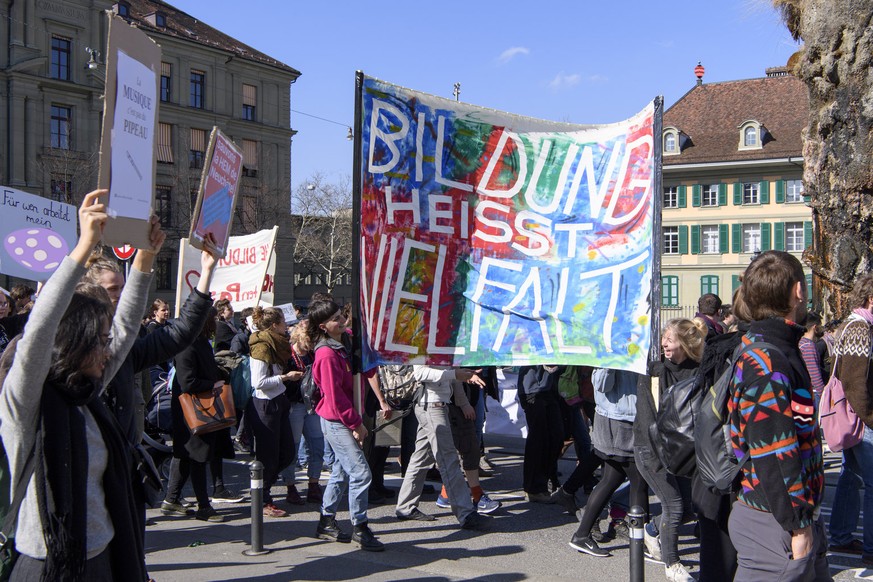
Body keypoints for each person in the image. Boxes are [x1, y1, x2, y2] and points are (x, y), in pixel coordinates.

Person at [0, 190, 153, 580]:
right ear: (74, 342)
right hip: (48, 566)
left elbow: (127, 326)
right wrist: (84, 246)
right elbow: (37, 335)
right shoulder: (28, 405)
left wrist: (146, 257)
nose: (108, 351)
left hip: (103, 556)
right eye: (99, 341)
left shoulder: (86, 396)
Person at [728, 250, 829, 580]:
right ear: (798, 291)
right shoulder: (767, 361)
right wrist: (798, 526)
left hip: (785, 516)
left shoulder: (774, 346)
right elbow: (774, 450)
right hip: (774, 522)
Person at [308, 299, 385, 551]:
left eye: (342, 316)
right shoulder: (326, 354)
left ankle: (326, 520)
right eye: (335, 319)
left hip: (344, 417)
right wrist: (356, 423)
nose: (341, 321)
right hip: (336, 420)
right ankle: (360, 527)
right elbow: (335, 396)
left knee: (342, 472)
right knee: (361, 473)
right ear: (322, 326)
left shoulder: (344, 342)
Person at [636, 319, 706, 582]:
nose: (665, 343)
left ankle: (653, 530)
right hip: (651, 448)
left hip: (682, 452)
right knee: (674, 506)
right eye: (664, 337)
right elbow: (647, 420)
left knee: (688, 509)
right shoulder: (653, 373)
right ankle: (672, 564)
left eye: (671, 338)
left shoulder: (699, 371)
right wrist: (658, 458)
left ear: (685, 344)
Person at [395, 365, 491, 529]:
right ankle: (465, 513)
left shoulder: (440, 342)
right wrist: (456, 374)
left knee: (421, 458)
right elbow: (420, 373)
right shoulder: (423, 340)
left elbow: (452, 376)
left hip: (436, 405)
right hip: (431, 406)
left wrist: (463, 376)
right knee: (448, 460)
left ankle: (405, 507)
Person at [569, 368, 648, 558]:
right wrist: (614, 362)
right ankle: (642, 541)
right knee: (639, 481)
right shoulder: (610, 349)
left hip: (628, 417)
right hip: (618, 420)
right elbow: (601, 385)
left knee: (612, 479)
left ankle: (582, 535)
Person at [161, 308, 228, 523]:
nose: (216, 323)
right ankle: (204, 506)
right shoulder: (188, 345)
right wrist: (213, 383)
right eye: (213, 318)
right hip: (192, 410)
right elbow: (187, 381)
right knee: (197, 455)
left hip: (195, 407)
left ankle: (171, 499)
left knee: (185, 455)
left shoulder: (198, 342)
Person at [828, 273, 873, 565]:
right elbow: (856, 383)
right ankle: (870, 548)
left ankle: (842, 536)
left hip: (854, 417)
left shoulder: (855, 324)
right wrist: (870, 418)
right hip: (863, 418)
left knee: (851, 477)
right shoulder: (860, 329)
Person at [247, 306, 297, 517]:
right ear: (275, 325)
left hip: (279, 400)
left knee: (286, 453)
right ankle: (262, 497)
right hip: (265, 405)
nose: (287, 326)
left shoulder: (276, 343)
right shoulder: (261, 347)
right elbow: (258, 382)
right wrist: (285, 378)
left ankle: (263, 488)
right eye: (284, 322)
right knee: (268, 456)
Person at [284, 321, 325, 504]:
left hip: (312, 405)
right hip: (295, 405)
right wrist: (289, 377)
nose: (311, 343)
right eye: (309, 340)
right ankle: (290, 486)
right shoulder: (288, 355)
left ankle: (313, 484)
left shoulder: (313, 354)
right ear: (300, 337)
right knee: (292, 447)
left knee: (317, 445)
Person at [799, 312, 826, 407]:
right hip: (814, 394)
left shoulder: (801, 342)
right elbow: (815, 376)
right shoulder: (808, 346)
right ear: (815, 327)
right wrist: (824, 395)